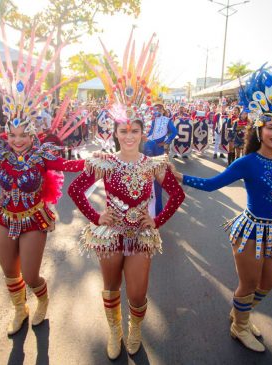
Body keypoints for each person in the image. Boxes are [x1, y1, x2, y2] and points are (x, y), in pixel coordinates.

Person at [68, 32, 185, 359]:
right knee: (110, 288)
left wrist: (156, 220)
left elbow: (176, 196)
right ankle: (115, 330)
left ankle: (134, 329)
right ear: (115, 132)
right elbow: (75, 189)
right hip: (108, 233)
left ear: (143, 132)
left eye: (135, 130)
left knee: (137, 293)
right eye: (124, 130)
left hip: (140, 235)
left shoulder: (153, 164)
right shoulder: (103, 161)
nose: (130, 136)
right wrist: (96, 216)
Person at [0, 32, 86, 336]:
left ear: (32, 134)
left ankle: (41, 301)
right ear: (7, 133)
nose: (17, 140)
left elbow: (69, 165)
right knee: (9, 272)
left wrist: (99, 160)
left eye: (23, 135)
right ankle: (19, 309)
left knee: (31, 274)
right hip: (4, 215)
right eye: (13, 134)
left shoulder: (43, 155)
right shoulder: (0, 153)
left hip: (33, 217)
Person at [171, 65, 272, 352]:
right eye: (271, 127)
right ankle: (239, 326)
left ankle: (241, 313)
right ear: (259, 130)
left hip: (271, 231)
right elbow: (213, 184)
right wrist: (181, 177)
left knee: (270, 283)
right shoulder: (247, 161)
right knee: (249, 283)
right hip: (249, 230)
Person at [143, 103, 177, 215]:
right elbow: (151, 133)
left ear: (162, 110)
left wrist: (166, 142)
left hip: (159, 147)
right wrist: (144, 137)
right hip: (150, 146)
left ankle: (158, 210)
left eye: (158, 109)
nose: (156, 111)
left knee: (158, 176)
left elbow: (174, 132)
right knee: (147, 173)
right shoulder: (153, 121)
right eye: (155, 109)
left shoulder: (167, 120)